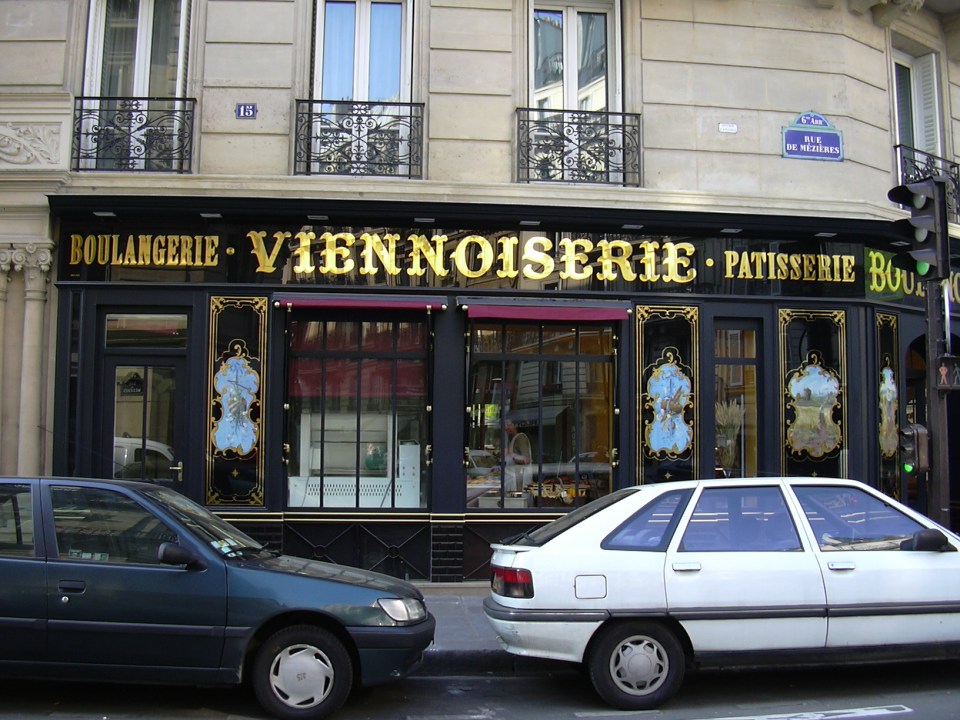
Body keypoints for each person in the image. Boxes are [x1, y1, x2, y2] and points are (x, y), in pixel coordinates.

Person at [503, 419, 531, 491]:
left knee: (518, 500)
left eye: (509, 425)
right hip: (512, 480)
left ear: (515, 425)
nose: (507, 428)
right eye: (505, 426)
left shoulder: (520, 438)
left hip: (519, 482)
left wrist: (511, 456)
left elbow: (527, 460)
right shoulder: (511, 440)